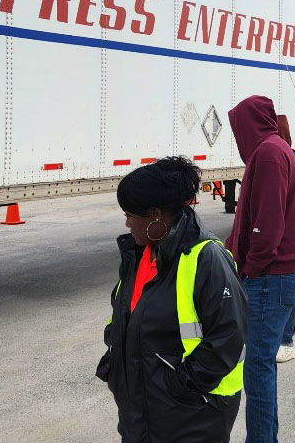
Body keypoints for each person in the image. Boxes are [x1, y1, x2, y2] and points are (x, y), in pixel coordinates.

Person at [97, 157, 247, 443]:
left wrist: (180, 386)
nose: (127, 222)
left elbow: (229, 338)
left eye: (130, 214)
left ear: (156, 215)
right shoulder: (138, 255)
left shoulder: (207, 258)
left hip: (191, 414)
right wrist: (115, 362)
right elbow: (122, 314)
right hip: (142, 410)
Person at [225, 95, 295, 443]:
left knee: (258, 364)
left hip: (272, 274)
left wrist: (251, 269)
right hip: (275, 272)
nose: (237, 136)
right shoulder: (272, 149)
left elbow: (268, 225)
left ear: (250, 124)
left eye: (238, 128)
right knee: (261, 362)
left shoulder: (270, 153)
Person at [275, 114, 295, 363]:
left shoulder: (291, 162)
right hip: (288, 236)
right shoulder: (287, 158)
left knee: (287, 295)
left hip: (288, 239)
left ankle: (286, 341)